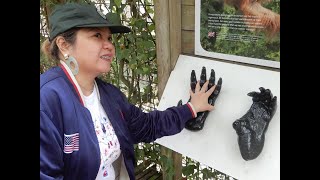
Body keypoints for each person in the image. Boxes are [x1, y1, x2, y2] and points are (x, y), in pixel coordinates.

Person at [40, 2, 217, 180]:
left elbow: (147, 126)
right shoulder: (47, 100)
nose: (109, 45)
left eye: (109, 38)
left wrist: (191, 108)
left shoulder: (109, 95)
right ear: (64, 45)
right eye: (96, 35)